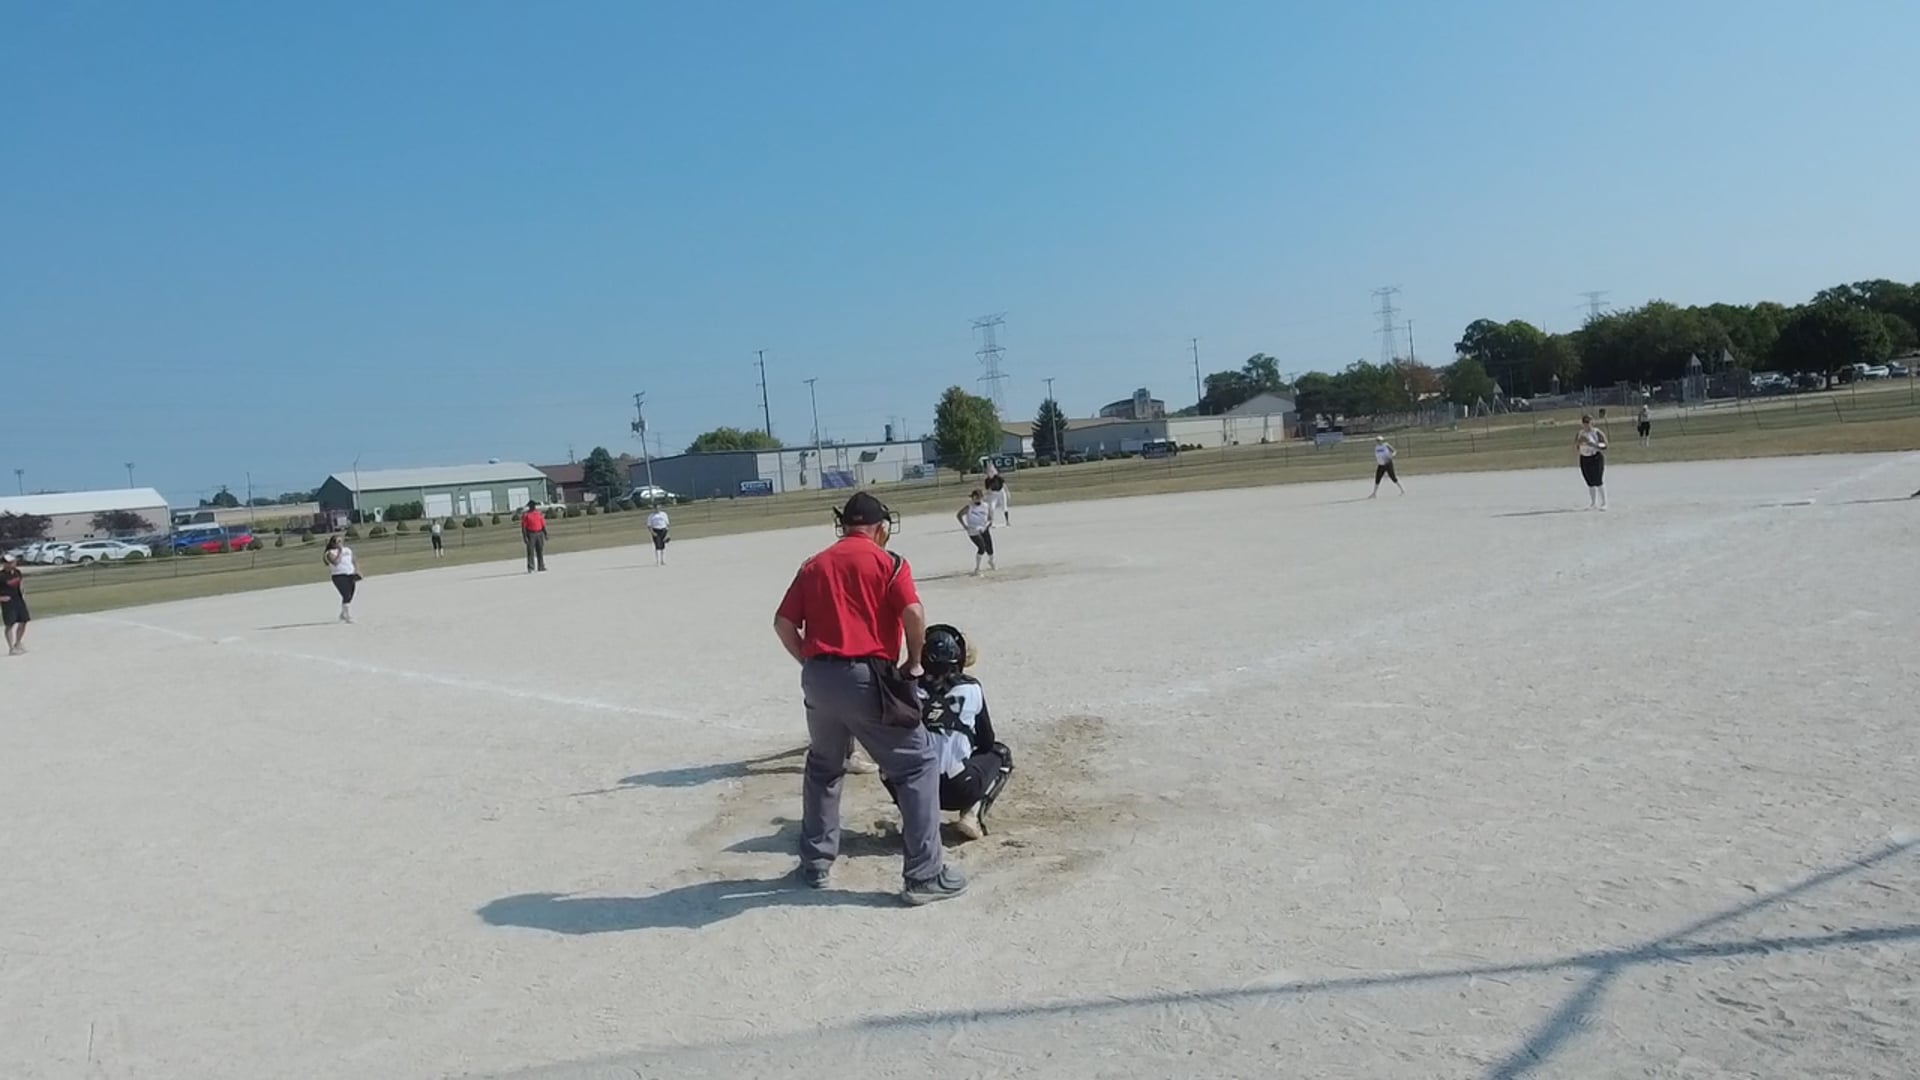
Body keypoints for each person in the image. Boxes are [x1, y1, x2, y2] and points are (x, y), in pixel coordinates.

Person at [773, 491, 967, 905]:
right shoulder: (889, 562)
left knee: (824, 767)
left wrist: (809, 662)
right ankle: (924, 875)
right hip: (868, 676)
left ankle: (815, 863)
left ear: (843, 525)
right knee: (917, 765)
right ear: (880, 528)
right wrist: (914, 661)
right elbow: (913, 613)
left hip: (818, 676)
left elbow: (783, 623)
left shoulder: (814, 564)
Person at [909, 624, 1013, 841]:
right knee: (1001, 754)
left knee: (890, 760)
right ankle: (972, 815)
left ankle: (915, 819)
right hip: (958, 787)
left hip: (915, 787)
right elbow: (987, 741)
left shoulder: (908, 688)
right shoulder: (971, 688)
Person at [957, 488, 995, 575]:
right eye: (974, 498)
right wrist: (964, 526)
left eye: (978, 497)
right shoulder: (969, 507)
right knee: (981, 547)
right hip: (973, 530)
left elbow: (990, 519)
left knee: (989, 547)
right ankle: (977, 568)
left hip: (983, 528)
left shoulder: (986, 506)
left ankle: (991, 561)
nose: (976, 499)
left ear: (981, 497)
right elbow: (959, 515)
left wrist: (985, 527)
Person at [323, 534, 360, 623]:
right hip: (339, 575)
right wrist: (339, 551)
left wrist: (357, 570)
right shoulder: (330, 553)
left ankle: (343, 613)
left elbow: (354, 560)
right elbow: (336, 562)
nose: (341, 543)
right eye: (338, 541)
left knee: (350, 595)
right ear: (333, 543)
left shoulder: (347, 550)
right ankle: (348, 616)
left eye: (341, 540)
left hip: (350, 574)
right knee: (346, 594)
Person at [1577, 414, 1609, 510]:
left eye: (1588, 422)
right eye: (1585, 422)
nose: (1586, 424)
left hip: (1595, 457)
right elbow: (1576, 445)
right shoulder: (1580, 433)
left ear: (1592, 422)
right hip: (1584, 458)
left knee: (1598, 480)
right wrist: (1580, 443)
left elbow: (1605, 445)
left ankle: (1604, 503)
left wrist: (1593, 444)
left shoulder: (1596, 432)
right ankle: (1593, 503)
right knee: (1589, 481)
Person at [2, 552, 30, 655]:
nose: (13, 563)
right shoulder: (1, 576)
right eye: (10, 562)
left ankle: (18, 643)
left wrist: (23, 592)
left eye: (13, 562)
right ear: (5, 564)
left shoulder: (17, 572)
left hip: (19, 600)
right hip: (8, 603)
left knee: (24, 621)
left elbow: (20, 584)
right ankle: (11, 648)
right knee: (10, 624)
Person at [521, 500, 548, 573]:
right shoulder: (526, 515)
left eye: (534, 505)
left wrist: (545, 533)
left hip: (539, 533)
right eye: (532, 506)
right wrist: (525, 537)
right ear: (529, 506)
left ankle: (541, 566)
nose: (533, 507)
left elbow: (543, 524)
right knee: (530, 551)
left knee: (540, 550)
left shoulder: (539, 513)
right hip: (531, 534)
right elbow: (524, 527)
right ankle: (531, 567)